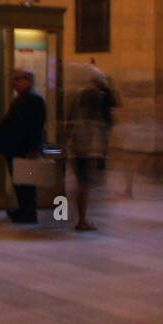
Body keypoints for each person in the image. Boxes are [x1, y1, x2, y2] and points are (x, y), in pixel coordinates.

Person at [66, 66, 115, 232]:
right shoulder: (97, 97)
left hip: (77, 146)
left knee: (82, 183)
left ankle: (80, 217)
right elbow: (103, 123)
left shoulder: (79, 96)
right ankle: (81, 220)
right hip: (86, 148)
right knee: (84, 185)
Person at [0, 68, 47, 223]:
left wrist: (33, 148)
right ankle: (23, 209)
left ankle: (29, 212)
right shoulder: (21, 98)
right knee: (19, 181)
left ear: (29, 81)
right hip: (14, 148)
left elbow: (36, 126)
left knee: (27, 182)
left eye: (18, 79)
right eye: (13, 79)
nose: (14, 83)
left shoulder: (34, 100)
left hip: (25, 149)